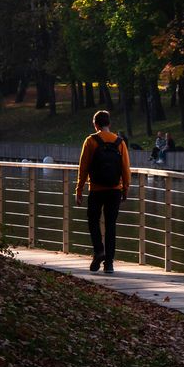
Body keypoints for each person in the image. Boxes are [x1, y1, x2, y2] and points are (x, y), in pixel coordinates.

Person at [76, 110, 131, 275]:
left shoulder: (90, 141)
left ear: (95, 124)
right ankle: (109, 264)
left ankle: (99, 250)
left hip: (96, 189)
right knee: (110, 225)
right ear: (109, 124)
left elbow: (83, 167)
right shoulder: (120, 142)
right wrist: (125, 189)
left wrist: (79, 190)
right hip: (114, 190)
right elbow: (125, 169)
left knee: (93, 221)